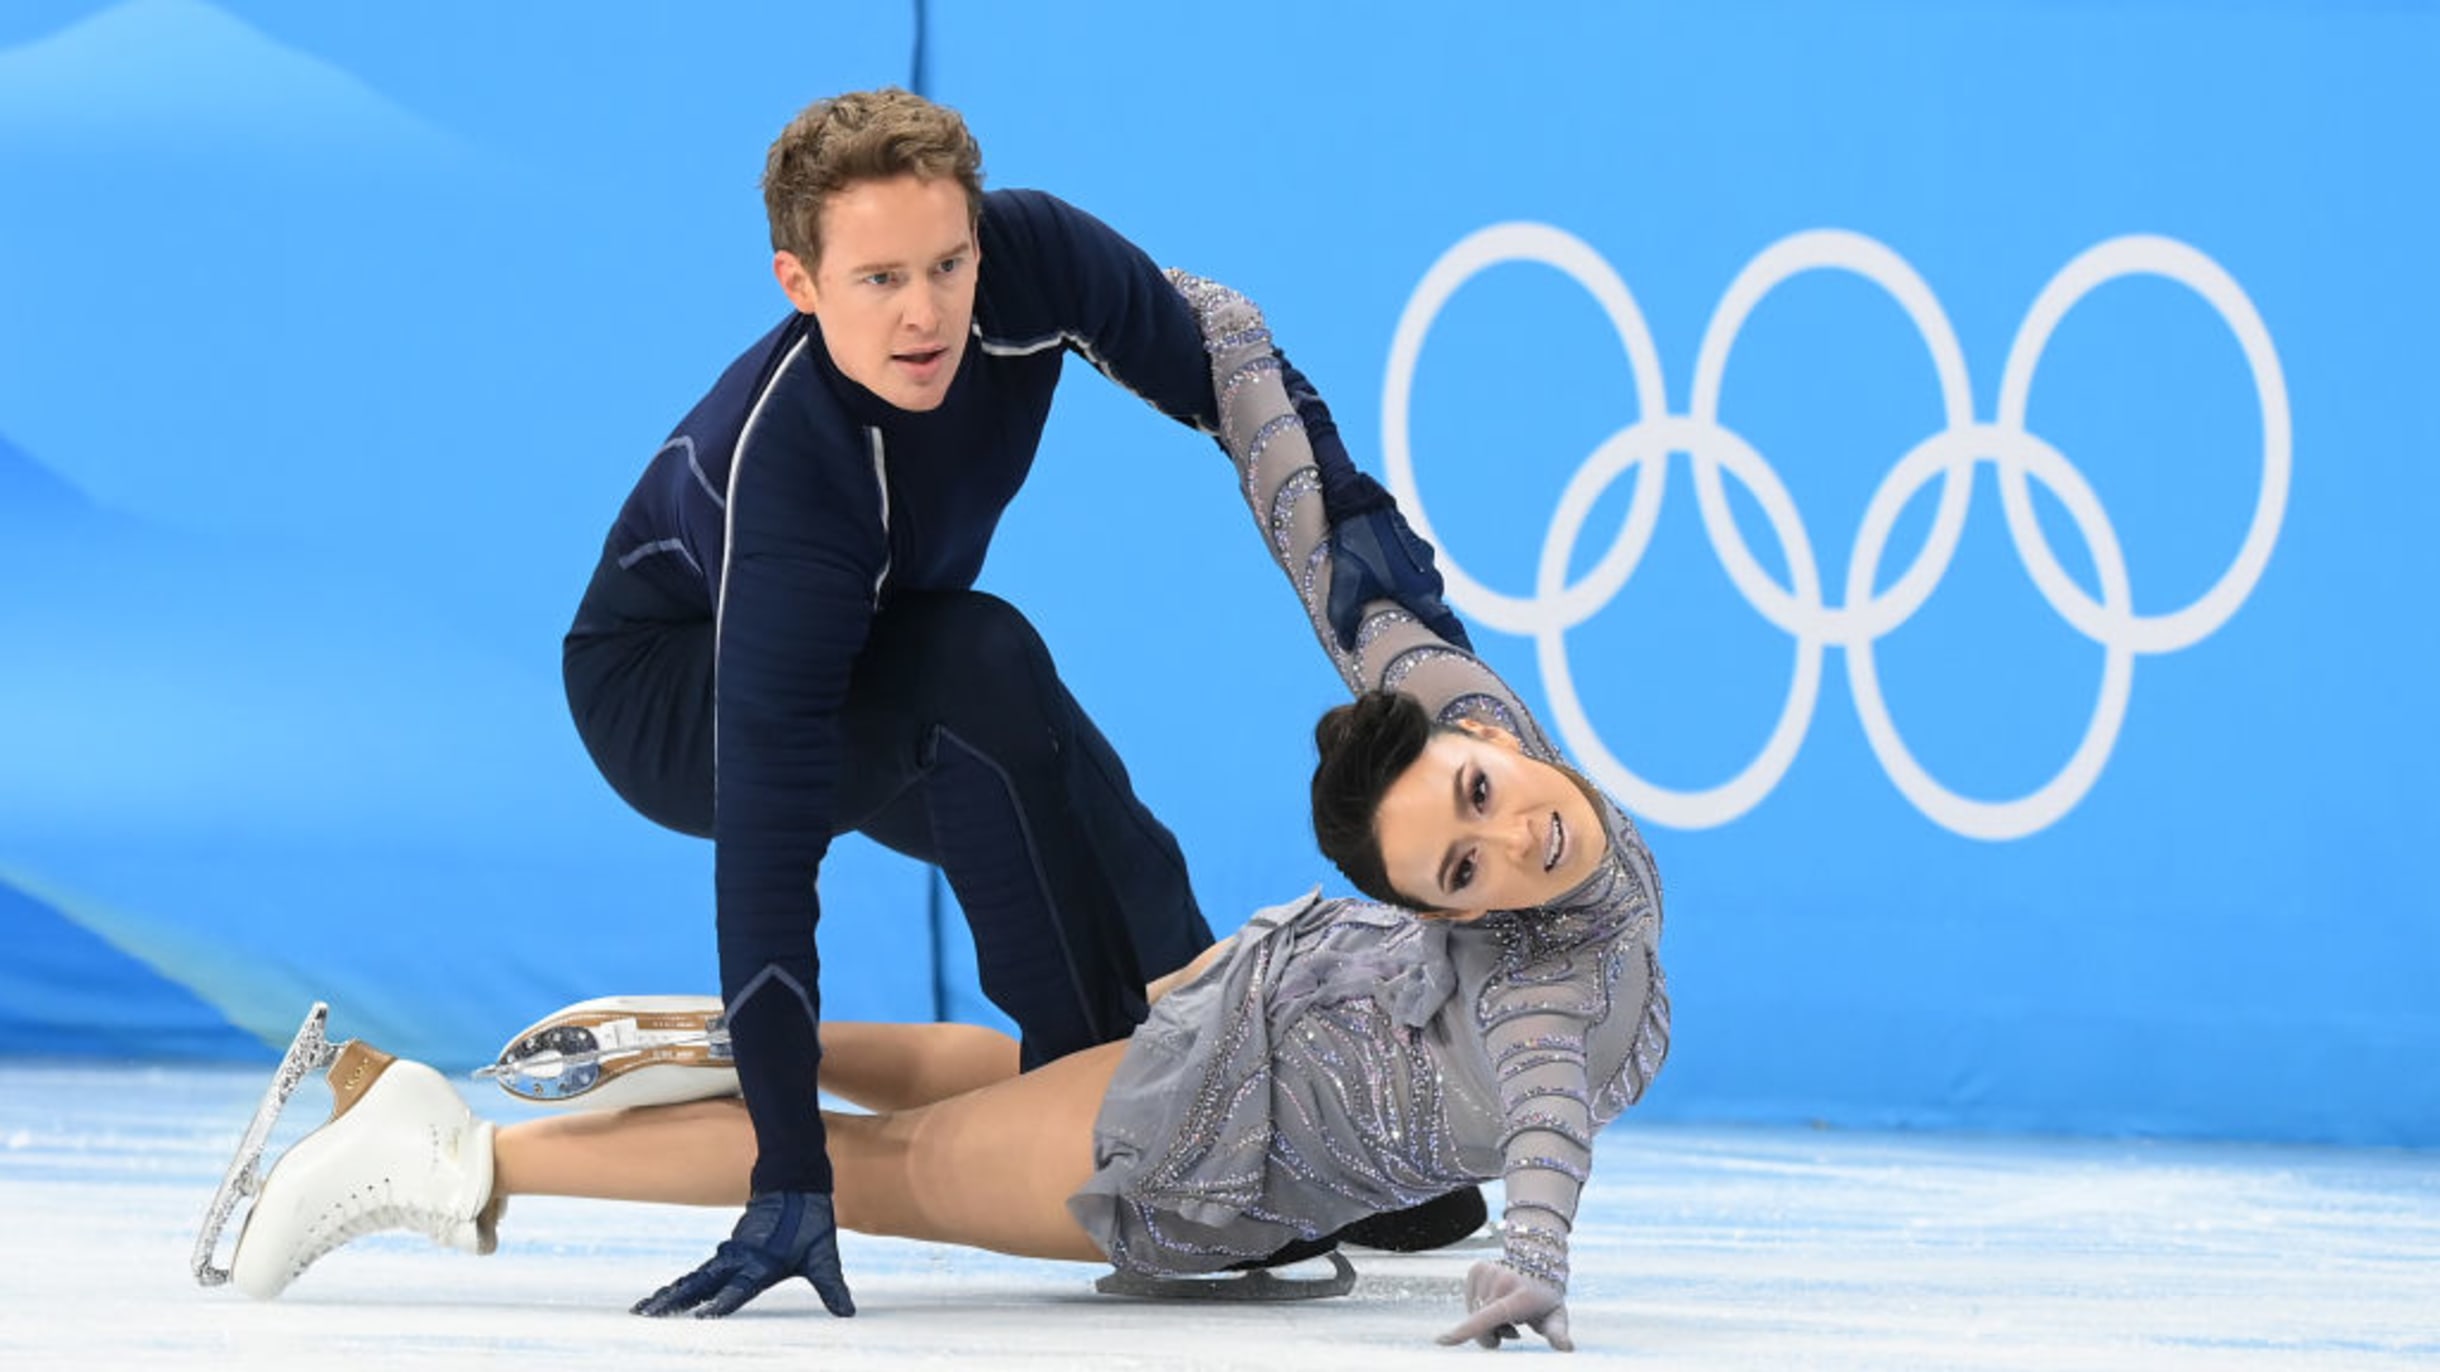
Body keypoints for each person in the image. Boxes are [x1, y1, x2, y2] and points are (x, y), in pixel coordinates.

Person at [219, 274, 1670, 1351]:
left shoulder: (1534, 879)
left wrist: (1529, 1256)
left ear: (1444, 913)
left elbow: (1545, 1127)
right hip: (1197, 1121)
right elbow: (1349, 573)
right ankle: (463, 1155)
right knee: (880, 1173)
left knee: (986, 1085)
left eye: (1463, 867)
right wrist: (1217, 341)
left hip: (1230, 1040)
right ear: (1476, 740)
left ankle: (730, 1045)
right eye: (1473, 807)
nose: (1513, 837)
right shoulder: (1501, 787)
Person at [557, 88, 1479, 1316]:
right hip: (670, 692)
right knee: (984, 680)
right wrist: (790, 1172)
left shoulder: (1034, 258)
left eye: (947, 262)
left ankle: (1235, 1122)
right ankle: (1126, 1144)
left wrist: (1383, 593)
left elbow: (1232, 369)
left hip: (893, 638)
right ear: (799, 283)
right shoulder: (795, 483)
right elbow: (768, 859)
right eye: (878, 279)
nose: (927, 311)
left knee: (1105, 830)